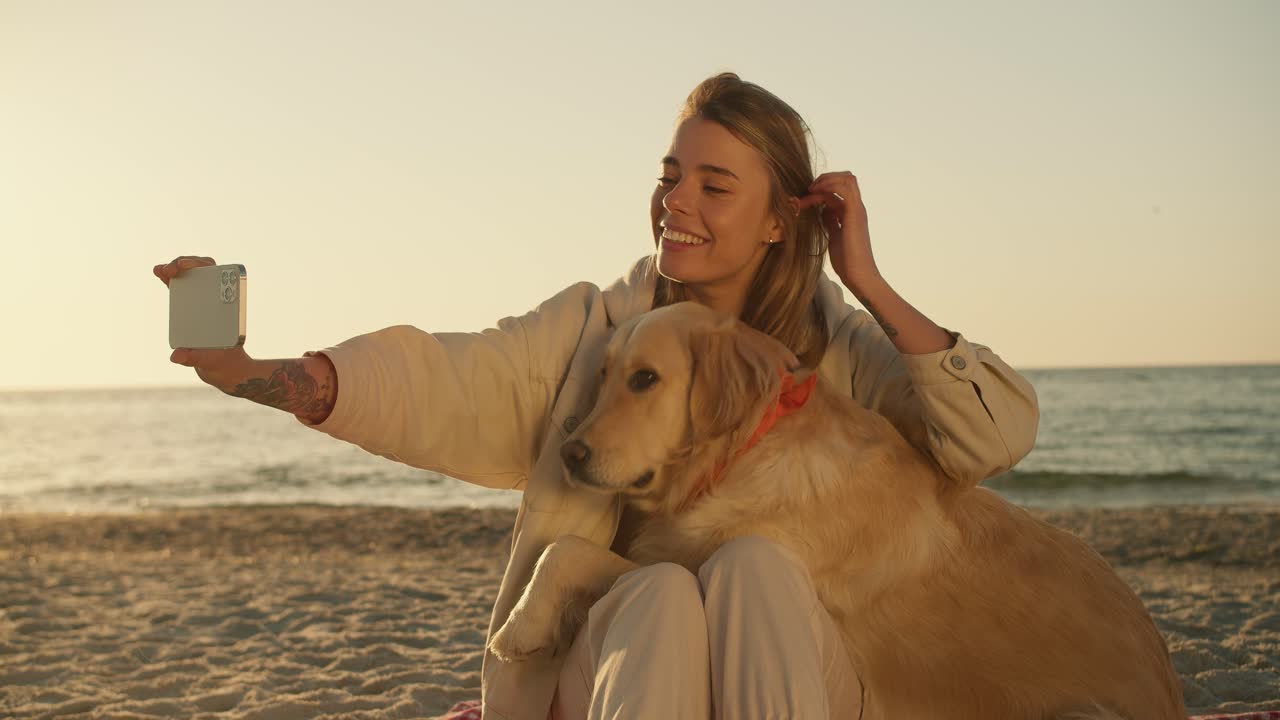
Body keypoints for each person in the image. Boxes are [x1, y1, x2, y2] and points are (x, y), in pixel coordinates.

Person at [154, 72, 1039, 720]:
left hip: (799, 681)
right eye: (670, 175)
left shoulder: (842, 354)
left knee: (756, 568)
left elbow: (990, 441)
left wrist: (869, 282)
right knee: (658, 596)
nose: (674, 202)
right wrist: (255, 373)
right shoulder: (598, 334)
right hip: (621, 673)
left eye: (712, 185)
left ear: (779, 219)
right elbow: (454, 382)